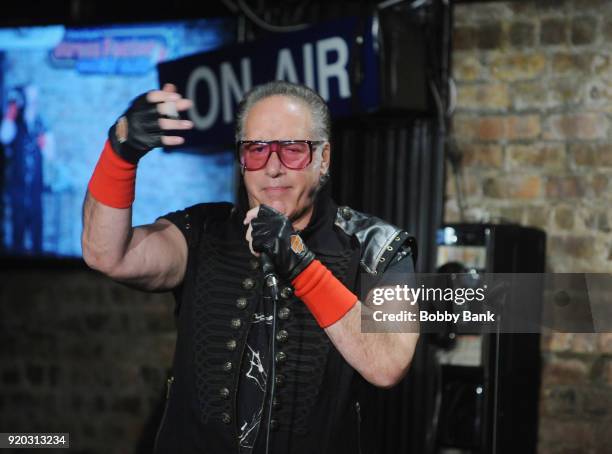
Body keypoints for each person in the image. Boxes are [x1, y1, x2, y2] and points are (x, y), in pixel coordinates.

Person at [82, 81, 419, 454]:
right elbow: (106, 254)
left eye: (292, 150)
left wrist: (298, 260)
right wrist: (119, 151)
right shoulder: (204, 231)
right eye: (256, 150)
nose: (272, 168)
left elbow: (389, 362)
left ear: (324, 158)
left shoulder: (379, 246)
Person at [1, 85, 54, 254]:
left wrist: (43, 143)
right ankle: (17, 264)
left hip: (35, 187)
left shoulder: (42, 124)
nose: (32, 104)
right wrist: (10, 114)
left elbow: (51, 154)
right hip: (17, 184)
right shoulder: (13, 121)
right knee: (18, 225)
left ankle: (38, 263)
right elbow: (4, 137)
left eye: (35, 100)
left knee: (36, 225)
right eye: (29, 100)